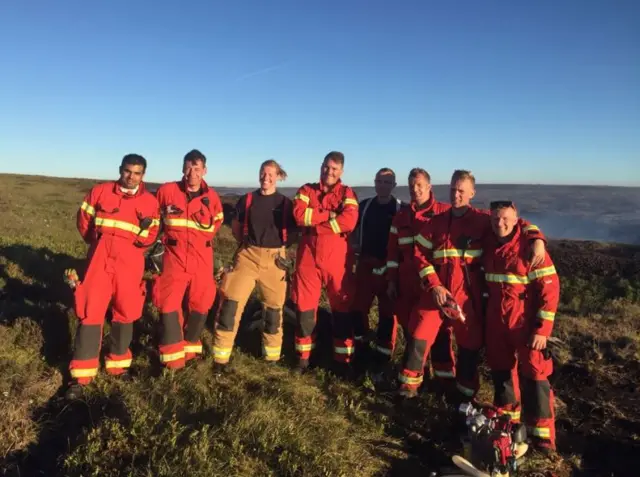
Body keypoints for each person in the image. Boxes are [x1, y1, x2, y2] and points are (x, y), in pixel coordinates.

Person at [400, 169, 548, 401]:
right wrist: (434, 286)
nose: (455, 195)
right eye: (452, 190)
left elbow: (512, 222)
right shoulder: (437, 222)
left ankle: (464, 395)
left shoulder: (482, 221)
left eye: (461, 191)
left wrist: (536, 237)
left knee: (469, 345)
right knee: (419, 333)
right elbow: (419, 254)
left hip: (467, 298)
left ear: (472, 193)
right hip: (437, 292)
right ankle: (408, 388)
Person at [66, 154, 160, 399]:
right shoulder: (100, 192)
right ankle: (82, 376)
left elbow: (150, 235)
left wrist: (130, 250)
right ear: (120, 170)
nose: (131, 177)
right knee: (90, 311)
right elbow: (84, 221)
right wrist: (98, 245)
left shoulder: (150, 202)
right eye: (128, 171)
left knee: (126, 311)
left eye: (137, 173)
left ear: (143, 175)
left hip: (130, 262)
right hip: (99, 260)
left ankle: (118, 365)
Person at [483, 200, 560, 454]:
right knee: (502, 372)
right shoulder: (488, 241)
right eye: (495, 218)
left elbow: (550, 288)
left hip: (524, 322)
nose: (500, 223)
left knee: (536, 374)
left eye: (505, 218)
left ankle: (543, 438)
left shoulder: (530, 247)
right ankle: (509, 428)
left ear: (516, 219)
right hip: (496, 320)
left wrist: (542, 329)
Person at [212, 159, 296, 370]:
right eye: (262, 173)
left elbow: (293, 233)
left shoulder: (286, 204)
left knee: (274, 312)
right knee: (230, 306)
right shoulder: (247, 200)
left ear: (278, 176)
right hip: (247, 256)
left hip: (276, 261)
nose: (265, 177)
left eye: (270, 174)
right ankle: (220, 359)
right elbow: (237, 229)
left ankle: (271, 359)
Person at [152, 149, 224, 369]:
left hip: (202, 258)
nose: (193, 172)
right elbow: (153, 218)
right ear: (183, 168)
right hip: (174, 257)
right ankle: (173, 359)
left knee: (201, 303)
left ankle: (190, 349)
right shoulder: (167, 191)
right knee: (169, 303)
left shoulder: (211, 197)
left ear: (205, 170)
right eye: (189, 167)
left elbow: (217, 223)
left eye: (197, 167)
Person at [290, 151, 359, 375]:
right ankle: (303, 359)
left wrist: (316, 222)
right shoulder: (306, 190)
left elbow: (348, 221)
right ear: (321, 166)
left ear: (341, 171)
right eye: (327, 167)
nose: (329, 172)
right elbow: (299, 216)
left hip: (337, 261)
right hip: (308, 259)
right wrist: (329, 215)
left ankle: (342, 362)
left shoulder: (347, 192)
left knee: (341, 309)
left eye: (335, 169)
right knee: (304, 309)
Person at [381, 168, 450, 377]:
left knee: (437, 335)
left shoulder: (444, 213)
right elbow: (392, 253)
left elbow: (487, 219)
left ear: (429, 187)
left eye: (420, 185)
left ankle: (443, 380)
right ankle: (421, 375)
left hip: (432, 285)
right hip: (405, 285)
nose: (415, 189)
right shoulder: (401, 217)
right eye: (412, 185)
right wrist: (392, 282)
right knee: (411, 332)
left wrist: (534, 236)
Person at [349, 168, 402, 371]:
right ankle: (361, 346)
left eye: (387, 183)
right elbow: (352, 230)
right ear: (374, 182)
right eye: (379, 181)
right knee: (358, 307)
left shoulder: (400, 209)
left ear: (394, 186)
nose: (382, 186)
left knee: (388, 314)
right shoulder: (364, 206)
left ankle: (383, 356)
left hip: (389, 268)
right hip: (366, 265)